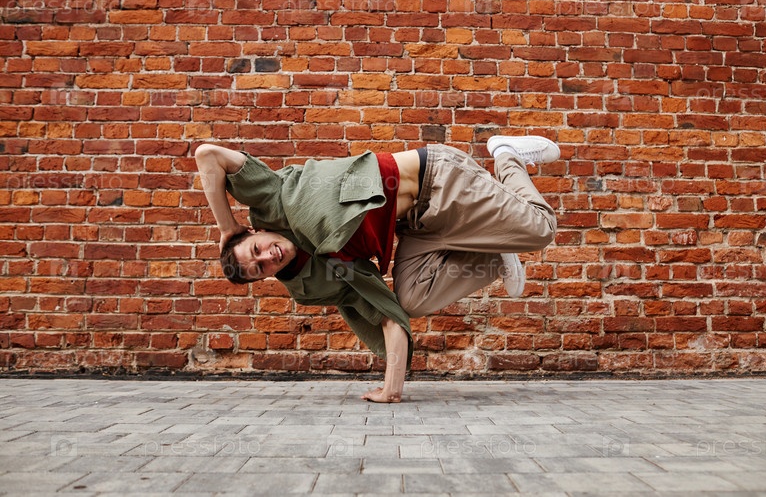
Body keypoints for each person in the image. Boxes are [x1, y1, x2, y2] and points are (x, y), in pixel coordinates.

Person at [195, 136, 558, 403]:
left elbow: (208, 155)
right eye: (260, 268)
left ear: (254, 232)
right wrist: (392, 389)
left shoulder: (273, 197)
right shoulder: (317, 275)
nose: (267, 256)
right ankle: (494, 256)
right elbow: (388, 315)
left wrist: (226, 228)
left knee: (542, 228)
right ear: (265, 278)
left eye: (256, 249)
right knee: (411, 300)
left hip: (440, 180)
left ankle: (507, 155)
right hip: (417, 227)